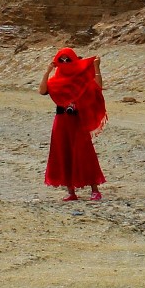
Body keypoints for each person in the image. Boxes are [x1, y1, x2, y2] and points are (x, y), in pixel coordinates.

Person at [39, 46, 107, 201]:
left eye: (68, 59)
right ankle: (71, 192)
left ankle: (94, 189)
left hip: (77, 121)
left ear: (74, 60)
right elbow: (42, 91)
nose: (64, 62)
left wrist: (96, 67)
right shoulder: (55, 81)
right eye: (61, 60)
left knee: (84, 153)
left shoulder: (80, 79)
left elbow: (97, 88)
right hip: (61, 122)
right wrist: (48, 71)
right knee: (63, 154)